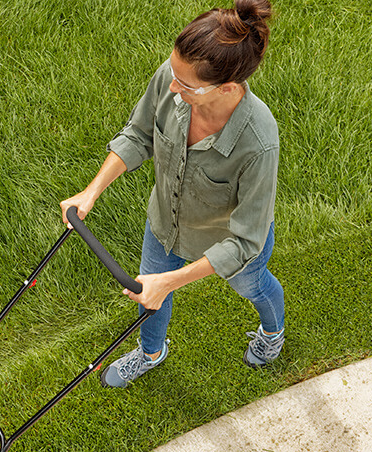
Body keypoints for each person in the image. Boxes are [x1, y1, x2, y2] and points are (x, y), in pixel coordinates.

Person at [60, 1, 284, 388]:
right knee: (149, 291)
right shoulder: (174, 77)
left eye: (185, 86)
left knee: (252, 284)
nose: (172, 89)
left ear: (227, 88)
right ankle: (150, 352)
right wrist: (90, 192)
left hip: (230, 242)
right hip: (166, 220)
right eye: (173, 74)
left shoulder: (258, 142)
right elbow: (138, 133)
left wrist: (172, 280)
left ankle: (272, 333)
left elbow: (246, 239)